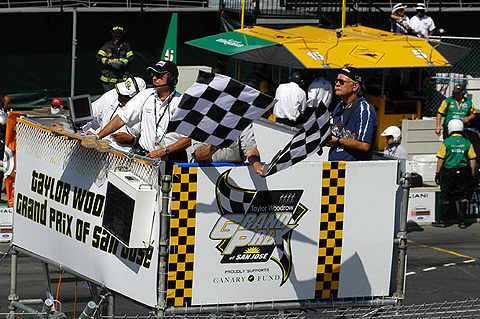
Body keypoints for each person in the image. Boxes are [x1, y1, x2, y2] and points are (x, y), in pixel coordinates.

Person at [95, 60, 191, 174]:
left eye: (159, 75)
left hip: (173, 161)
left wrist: (164, 151)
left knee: (172, 192)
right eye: (153, 74)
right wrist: (97, 136)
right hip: (146, 158)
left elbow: (188, 139)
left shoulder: (182, 103)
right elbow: (120, 118)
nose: (154, 78)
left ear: (171, 78)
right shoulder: (145, 95)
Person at [327, 67, 378, 161]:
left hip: (354, 170)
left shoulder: (364, 109)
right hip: (333, 167)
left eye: (342, 82)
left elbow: (364, 145)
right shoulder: (339, 106)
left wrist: (337, 141)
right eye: (336, 81)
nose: (337, 84)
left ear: (355, 86)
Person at [433, 119, 476, 229]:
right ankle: (462, 222)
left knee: (445, 195)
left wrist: (437, 173)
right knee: (462, 196)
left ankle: (442, 220)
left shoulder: (446, 142)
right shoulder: (467, 142)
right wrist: (472, 174)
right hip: (463, 172)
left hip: (449, 172)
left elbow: (441, 159)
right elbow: (473, 160)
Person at [89, 77, 146, 153]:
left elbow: (151, 143)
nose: (119, 96)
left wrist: (132, 140)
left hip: (125, 156)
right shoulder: (111, 95)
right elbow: (91, 115)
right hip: (101, 151)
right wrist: (93, 135)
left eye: (124, 95)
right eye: (119, 92)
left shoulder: (146, 111)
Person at [192, 124, 264, 176]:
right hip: (203, 177)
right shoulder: (201, 122)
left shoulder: (243, 121)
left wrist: (256, 164)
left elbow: (251, 149)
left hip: (237, 175)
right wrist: (216, 146)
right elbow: (199, 154)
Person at [97, 26, 134, 92]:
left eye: (119, 36)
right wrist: (109, 61)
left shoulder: (126, 46)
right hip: (109, 79)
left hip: (122, 79)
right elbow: (99, 57)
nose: (117, 38)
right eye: (116, 36)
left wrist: (122, 63)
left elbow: (130, 58)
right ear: (113, 36)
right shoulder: (107, 46)